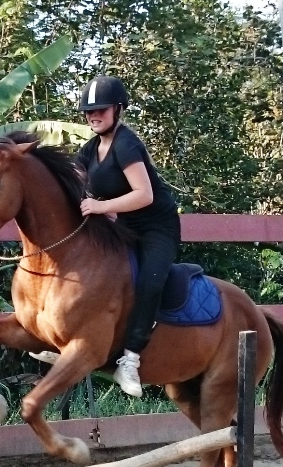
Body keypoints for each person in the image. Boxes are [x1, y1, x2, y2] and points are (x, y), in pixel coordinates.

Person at [76, 75, 181, 397]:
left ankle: (131, 359)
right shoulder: (89, 149)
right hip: (122, 226)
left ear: (118, 109)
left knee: (150, 281)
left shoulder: (126, 143)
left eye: (101, 110)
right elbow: (75, 185)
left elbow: (144, 195)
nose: (94, 115)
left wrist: (101, 205)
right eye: (88, 111)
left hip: (156, 227)